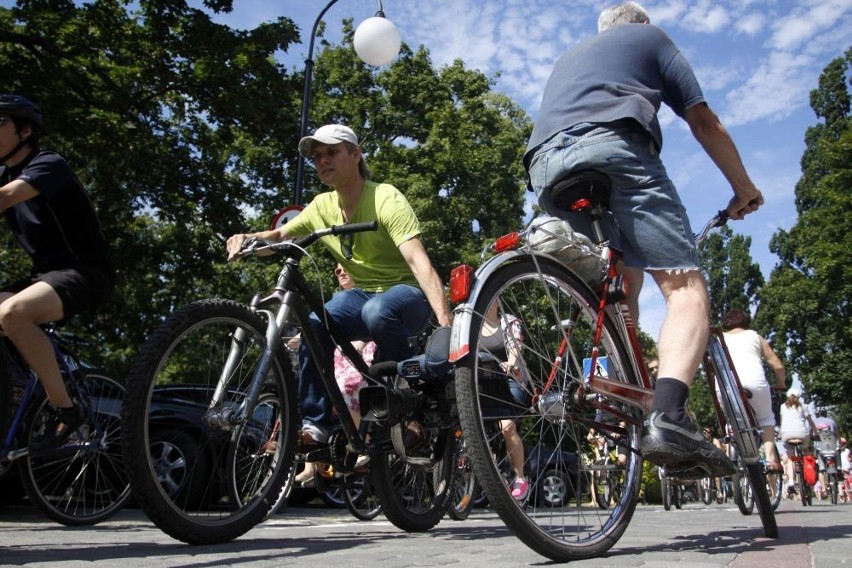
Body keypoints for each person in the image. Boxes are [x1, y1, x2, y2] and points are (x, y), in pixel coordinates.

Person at [524, 1, 762, 477]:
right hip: (614, 148)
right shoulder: (651, 39)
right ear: (643, 25)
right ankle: (669, 416)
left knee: (620, 287)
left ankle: (621, 390)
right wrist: (743, 188)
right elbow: (703, 121)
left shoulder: (570, 55)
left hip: (544, 166)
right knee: (684, 290)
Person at [226, 124, 451, 448]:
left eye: (332, 152)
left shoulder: (385, 197)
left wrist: (446, 328)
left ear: (356, 154)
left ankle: (406, 401)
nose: (322, 161)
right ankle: (317, 426)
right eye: (316, 157)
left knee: (378, 309)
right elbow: (279, 237)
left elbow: (419, 263)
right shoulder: (320, 206)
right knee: (315, 323)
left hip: (406, 294)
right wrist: (247, 238)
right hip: (361, 296)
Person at [0, 94, 113, 452]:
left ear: (25, 131)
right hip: (42, 277)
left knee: (13, 313)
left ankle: (68, 408)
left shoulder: (48, 163)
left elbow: (5, 197)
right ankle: (15, 398)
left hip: (84, 271)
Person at [292, 264, 377, 486]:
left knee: (345, 385)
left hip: (363, 351)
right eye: (337, 270)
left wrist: (361, 341)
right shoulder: (334, 303)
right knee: (313, 383)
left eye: (344, 267)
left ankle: (363, 440)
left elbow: (374, 324)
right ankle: (311, 463)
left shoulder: (366, 297)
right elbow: (318, 327)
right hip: (339, 355)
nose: (340, 272)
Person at [721, 308, 786, 472]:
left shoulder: (719, 339)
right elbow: (778, 366)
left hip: (727, 386)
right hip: (754, 383)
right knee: (766, 418)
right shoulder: (755, 337)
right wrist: (780, 384)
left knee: (731, 419)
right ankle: (771, 459)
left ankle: (732, 453)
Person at [479, 300, 530, 500]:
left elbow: (515, 347)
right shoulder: (472, 326)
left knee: (507, 426)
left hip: (511, 379)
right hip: (484, 382)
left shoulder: (509, 322)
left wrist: (510, 362)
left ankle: (520, 477)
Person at [778, 387, 818, 495]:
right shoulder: (803, 407)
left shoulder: (782, 407)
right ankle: (807, 473)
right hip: (801, 434)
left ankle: (791, 483)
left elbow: (782, 422)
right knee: (806, 451)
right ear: (798, 397)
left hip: (786, 434)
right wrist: (816, 434)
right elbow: (811, 423)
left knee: (790, 458)